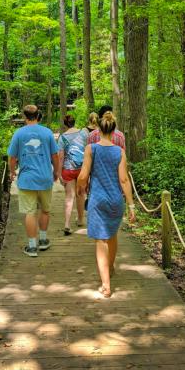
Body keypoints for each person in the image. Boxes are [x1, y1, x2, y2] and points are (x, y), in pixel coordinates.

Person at [77, 110, 136, 298]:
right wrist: (131, 206)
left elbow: (83, 175)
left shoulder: (91, 149)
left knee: (101, 241)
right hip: (115, 201)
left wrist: (80, 187)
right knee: (112, 235)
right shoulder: (120, 152)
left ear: (99, 130)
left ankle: (106, 285)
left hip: (97, 200)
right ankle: (110, 268)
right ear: (113, 131)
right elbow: (124, 180)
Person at [8, 104, 60, 257]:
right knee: (45, 209)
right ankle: (43, 241)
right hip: (45, 177)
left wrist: (12, 172)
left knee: (30, 212)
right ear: (38, 116)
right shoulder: (47, 133)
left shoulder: (18, 134)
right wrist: (56, 172)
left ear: (24, 117)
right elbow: (55, 156)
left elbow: (12, 157)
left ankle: (32, 247)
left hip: (27, 178)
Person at [57, 115, 88, 234]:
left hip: (68, 169)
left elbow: (60, 156)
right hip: (82, 169)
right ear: (75, 122)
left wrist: (59, 173)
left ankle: (67, 224)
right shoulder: (84, 134)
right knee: (81, 194)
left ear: (65, 124)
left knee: (69, 197)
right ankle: (80, 220)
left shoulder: (63, 137)